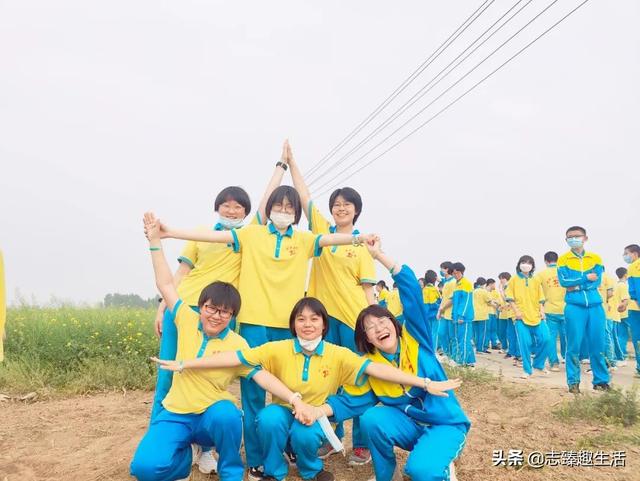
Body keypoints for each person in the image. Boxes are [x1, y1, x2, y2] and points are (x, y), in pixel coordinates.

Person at [144, 190, 376, 479]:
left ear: (296, 214)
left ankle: (291, 445)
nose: (283, 211)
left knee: (290, 390)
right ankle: (256, 459)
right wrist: (168, 233)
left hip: (286, 327)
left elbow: (329, 239)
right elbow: (212, 237)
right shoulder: (252, 234)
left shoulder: (304, 239)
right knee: (253, 395)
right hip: (254, 324)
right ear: (269, 209)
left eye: (289, 208)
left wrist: (360, 239)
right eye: (278, 206)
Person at [153, 296, 460, 481]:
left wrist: (424, 382)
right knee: (269, 418)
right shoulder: (278, 348)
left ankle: (312, 470)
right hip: (285, 411)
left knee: (305, 434)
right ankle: (274, 471)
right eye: (301, 319)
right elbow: (234, 357)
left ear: (324, 325)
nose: (308, 324)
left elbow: (375, 369)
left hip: (317, 417)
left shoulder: (339, 354)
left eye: (315, 319)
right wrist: (185, 364)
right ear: (294, 324)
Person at [131, 213, 309, 481]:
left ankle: (230, 472)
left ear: (232, 315)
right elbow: (166, 283)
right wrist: (155, 241)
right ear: (201, 307)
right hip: (177, 413)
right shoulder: (186, 319)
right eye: (211, 308)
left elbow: (261, 376)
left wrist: (294, 399)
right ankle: (183, 460)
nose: (216, 316)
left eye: (225, 312)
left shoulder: (237, 343)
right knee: (144, 468)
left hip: (211, 418)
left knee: (228, 414)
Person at [312, 238, 469, 481]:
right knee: (372, 418)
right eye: (370, 327)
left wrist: (379, 256)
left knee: (420, 471)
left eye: (382, 321)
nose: (378, 328)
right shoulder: (372, 366)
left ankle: (440, 462)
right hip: (411, 427)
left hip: (444, 425)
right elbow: (350, 401)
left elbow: (411, 291)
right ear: (366, 338)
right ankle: (387, 476)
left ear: (394, 324)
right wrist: (315, 411)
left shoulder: (416, 339)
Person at [288, 142, 377, 464]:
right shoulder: (322, 233)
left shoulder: (363, 245)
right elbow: (304, 198)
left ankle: (362, 444)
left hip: (354, 321)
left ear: (356, 210)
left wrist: (372, 324)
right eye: (336, 205)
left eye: (347, 205)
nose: (341, 209)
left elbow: (368, 289)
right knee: (327, 380)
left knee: (358, 380)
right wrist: (291, 162)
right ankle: (330, 437)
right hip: (324, 321)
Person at [557, 226, 610, 393]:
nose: (573, 239)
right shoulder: (563, 260)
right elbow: (564, 282)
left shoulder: (595, 258)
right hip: (574, 307)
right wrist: (585, 278)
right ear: (566, 240)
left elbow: (597, 281)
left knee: (598, 344)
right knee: (573, 345)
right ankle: (573, 382)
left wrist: (576, 285)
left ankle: (600, 381)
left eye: (577, 236)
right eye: (570, 237)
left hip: (595, 306)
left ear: (585, 238)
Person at [505, 255, 550, 379]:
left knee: (546, 339)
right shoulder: (514, 279)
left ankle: (538, 364)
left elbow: (541, 298)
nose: (526, 264)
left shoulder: (536, 279)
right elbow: (510, 298)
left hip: (536, 316)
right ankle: (527, 370)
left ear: (532, 266)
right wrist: (516, 312)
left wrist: (542, 312)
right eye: (523, 262)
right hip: (521, 317)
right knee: (526, 342)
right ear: (519, 264)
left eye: (529, 263)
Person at [536, 251, 566, 372]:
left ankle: (554, 363)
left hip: (549, 309)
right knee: (567, 337)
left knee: (551, 337)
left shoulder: (541, 274)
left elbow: (536, 292)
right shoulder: (564, 272)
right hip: (566, 309)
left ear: (545, 261)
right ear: (557, 260)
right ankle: (569, 360)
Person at [451, 262, 475, 367]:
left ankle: (462, 362)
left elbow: (466, 302)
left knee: (464, 340)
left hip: (464, 317)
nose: (455, 275)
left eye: (457, 273)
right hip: (457, 317)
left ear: (462, 272)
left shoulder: (466, 283)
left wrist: (462, 316)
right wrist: (453, 315)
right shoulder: (457, 284)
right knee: (461, 338)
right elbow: (455, 302)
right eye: (453, 273)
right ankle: (470, 361)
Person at [623, 244, 640, 377]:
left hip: (636, 308)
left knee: (638, 338)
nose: (625, 256)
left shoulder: (634, 266)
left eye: (626, 253)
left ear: (634, 254)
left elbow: (636, 289)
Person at [436, 261, 456, 360]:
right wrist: (439, 311)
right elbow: (444, 298)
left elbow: (452, 299)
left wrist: (442, 308)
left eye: (442, 268)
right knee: (441, 333)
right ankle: (447, 353)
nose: (440, 270)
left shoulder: (453, 282)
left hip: (451, 312)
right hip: (444, 313)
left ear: (447, 269)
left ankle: (453, 356)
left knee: (452, 336)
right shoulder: (446, 282)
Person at [615, 267, 631, 365]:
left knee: (621, 335)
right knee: (625, 334)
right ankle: (622, 354)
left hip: (618, 314)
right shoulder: (623, 286)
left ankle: (621, 354)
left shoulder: (616, 285)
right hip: (625, 313)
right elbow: (625, 300)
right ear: (625, 274)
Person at [472, 277, 491, 354]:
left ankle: (477, 348)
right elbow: (489, 301)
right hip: (482, 315)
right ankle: (480, 349)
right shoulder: (484, 292)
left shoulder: (473, 291)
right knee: (482, 333)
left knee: (476, 333)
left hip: (474, 315)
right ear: (484, 284)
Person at [423, 270, 441, 344]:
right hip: (434, 314)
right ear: (434, 278)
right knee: (435, 333)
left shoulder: (424, 289)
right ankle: (433, 349)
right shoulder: (433, 289)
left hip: (426, 314)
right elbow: (434, 303)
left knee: (428, 333)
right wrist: (440, 304)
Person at [485, 279, 500, 350]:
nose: (495, 286)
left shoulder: (495, 292)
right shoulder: (484, 291)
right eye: (494, 284)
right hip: (487, 313)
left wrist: (494, 302)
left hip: (493, 313)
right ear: (490, 284)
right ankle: (486, 344)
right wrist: (494, 302)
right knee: (487, 329)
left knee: (493, 329)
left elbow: (499, 302)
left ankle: (494, 344)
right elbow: (488, 302)